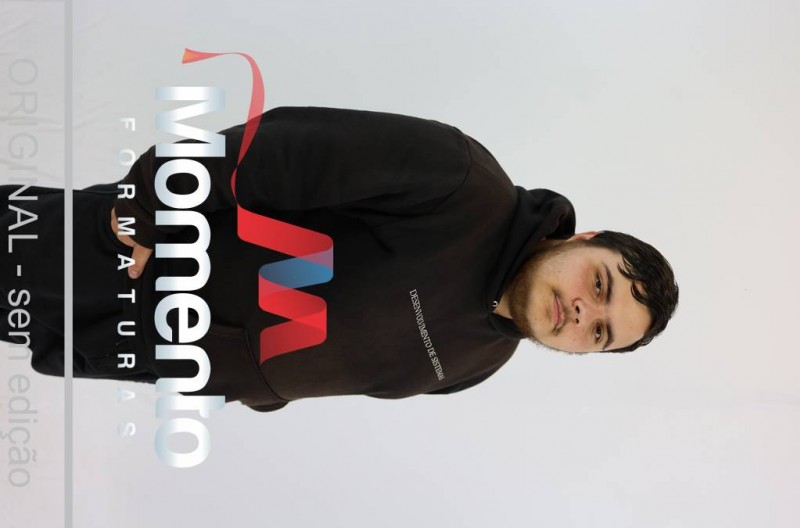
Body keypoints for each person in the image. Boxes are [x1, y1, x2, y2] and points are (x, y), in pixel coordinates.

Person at [1, 106, 678, 412]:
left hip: (137, 348)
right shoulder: (462, 183)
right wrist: (149, 203)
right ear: (584, 239)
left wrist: (251, 386)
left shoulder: (480, 361)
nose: (583, 313)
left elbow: (334, 361)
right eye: (600, 285)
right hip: (134, 252)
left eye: (600, 333)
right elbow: (282, 148)